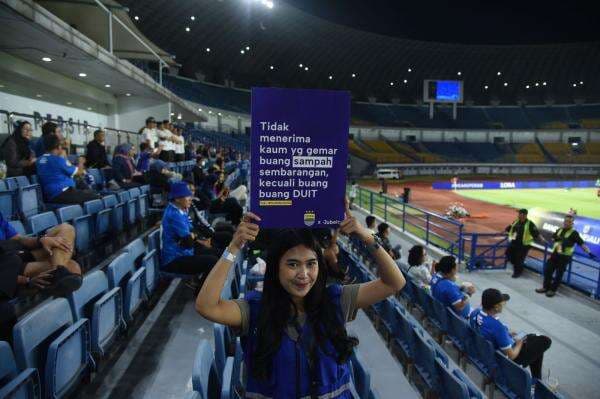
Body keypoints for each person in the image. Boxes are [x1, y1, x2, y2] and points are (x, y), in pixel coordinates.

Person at [195, 204, 405, 399]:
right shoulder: (254, 310)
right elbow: (207, 306)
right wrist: (233, 247)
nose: (303, 274)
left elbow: (394, 282)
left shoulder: (337, 300)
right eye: (293, 264)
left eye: (311, 264)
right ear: (275, 268)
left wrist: (366, 236)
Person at [470, 288, 552, 379]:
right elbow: (511, 355)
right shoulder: (497, 327)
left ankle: (536, 380)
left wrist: (506, 333)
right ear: (496, 307)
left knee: (534, 340)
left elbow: (488, 331)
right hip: (505, 360)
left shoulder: (475, 313)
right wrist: (519, 343)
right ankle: (535, 381)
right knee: (545, 341)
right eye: (502, 303)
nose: (504, 305)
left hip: (486, 353)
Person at [0, 210, 82, 296]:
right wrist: (27, 280)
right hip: (8, 265)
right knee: (73, 267)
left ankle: (58, 271)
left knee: (67, 228)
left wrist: (41, 240)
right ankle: (58, 272)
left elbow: (18, 239)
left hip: (18, 251)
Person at [160, 182, 218, 285]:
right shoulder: (174, 214)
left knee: (216, 253)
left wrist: (195, 237)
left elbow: (192, 231)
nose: (191, 198)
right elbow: (189, 242)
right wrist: (193, 237)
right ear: (177, 198)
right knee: (212, 261)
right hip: (173, 260)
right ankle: (202, 294)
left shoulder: (180, 210)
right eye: (187, 196)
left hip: (183, 252)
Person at [535, 214, 595, 297]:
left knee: (558, 275)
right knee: (547, 270)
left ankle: (552, 290)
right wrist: (555, 238)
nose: (567, 223)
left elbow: (581, 244)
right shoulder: (559, 230)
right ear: (564, 221)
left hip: (564, 258)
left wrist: (589, 252)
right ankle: (545, 287)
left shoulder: (574, 233)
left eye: (569, 222)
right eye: (566, 221)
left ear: (572, 223)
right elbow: (553, 238)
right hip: (554, 255)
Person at [36, 135, 101, 204]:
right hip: (62, 193)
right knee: (95, 197)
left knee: (83, 187)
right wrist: (81, 161)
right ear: (58, 147)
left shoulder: (39, 160)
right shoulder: (57, 160)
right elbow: (79, 172)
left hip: (51, 194)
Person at [505, 209, 542, 278]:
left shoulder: (530, 223)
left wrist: (542, 240)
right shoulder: (516, 221)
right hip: (514, 243)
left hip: (524, 245)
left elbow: (536, 233)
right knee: (508, 254)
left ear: (524, 215)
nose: (518, 215)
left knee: (518, 259)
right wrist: (506, 231)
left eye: (520, 214)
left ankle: (517, 272)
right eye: (519, 214)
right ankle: (519, 267)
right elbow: (509, 228)